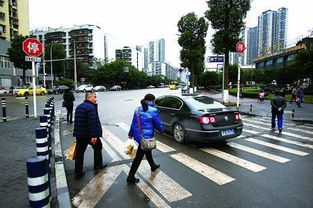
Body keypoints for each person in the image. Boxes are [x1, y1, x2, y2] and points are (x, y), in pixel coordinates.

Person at [127, 94, 164, 184]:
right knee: (138, 157)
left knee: (148, 150)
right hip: (146, 137)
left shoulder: (137, 109)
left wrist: (130, 134)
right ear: (151, 101)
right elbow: (157, 124)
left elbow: (133, 123)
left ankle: (153, 166)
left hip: (139, 136)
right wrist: (162, 130)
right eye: (154, 101)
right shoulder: (153, 110)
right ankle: (130, 176)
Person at [73, 92, 106, 179]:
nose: (96, 99)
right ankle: (98, 165)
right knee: (98, 146)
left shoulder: (79, 106)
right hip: (88, 134)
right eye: (94, 97)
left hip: (80, 134)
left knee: (79, 153)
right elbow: (92, 123)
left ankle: (78, 172)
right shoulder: (91, 108)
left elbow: (77, 122)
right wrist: (94, 136)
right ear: (89, 98)